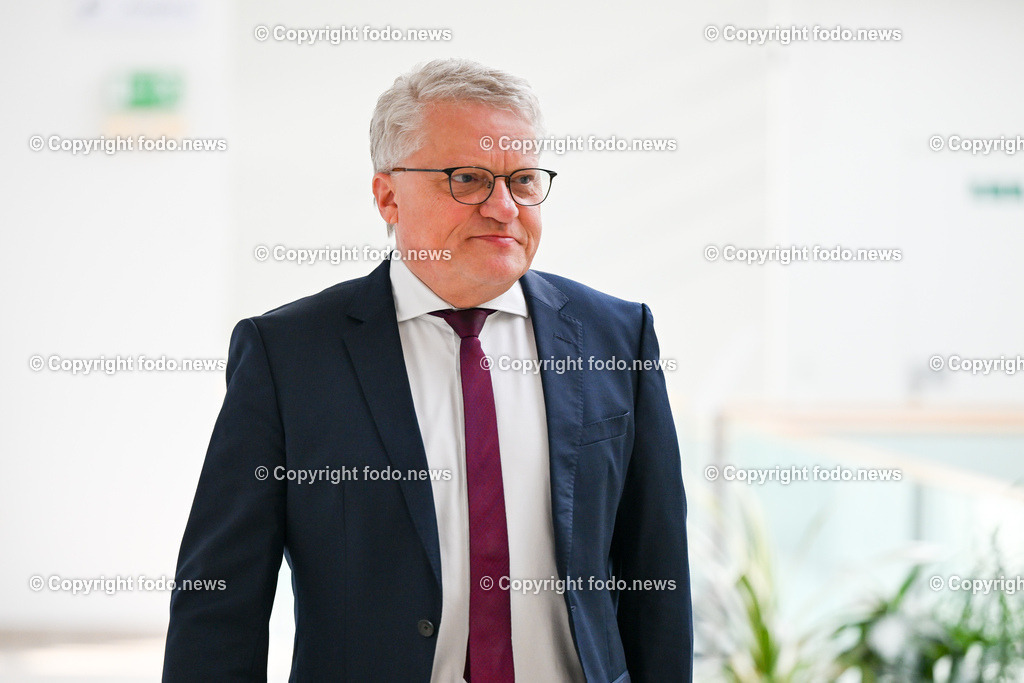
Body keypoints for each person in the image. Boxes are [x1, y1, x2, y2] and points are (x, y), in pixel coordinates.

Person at [162, 58, 692, 682]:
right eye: (468, 178)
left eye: (522, 180)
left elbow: (656, 571)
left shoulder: (615, 335)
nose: (503, 207)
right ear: (387, 195)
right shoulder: (289, 355)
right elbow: (221, 597)